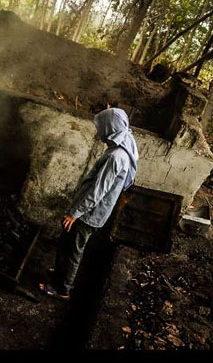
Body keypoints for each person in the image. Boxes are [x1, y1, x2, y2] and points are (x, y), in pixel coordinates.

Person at [39, 107, 139, 301]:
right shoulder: (121, 147)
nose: (98, 131)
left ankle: (62, 289)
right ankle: (60, 273)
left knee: (73, 251)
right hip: (87, 211)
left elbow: (97, 191)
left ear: (110, 128)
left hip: (88, 214)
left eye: (101, 127)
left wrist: (75, 213)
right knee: (67, 243)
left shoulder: (115, 156)